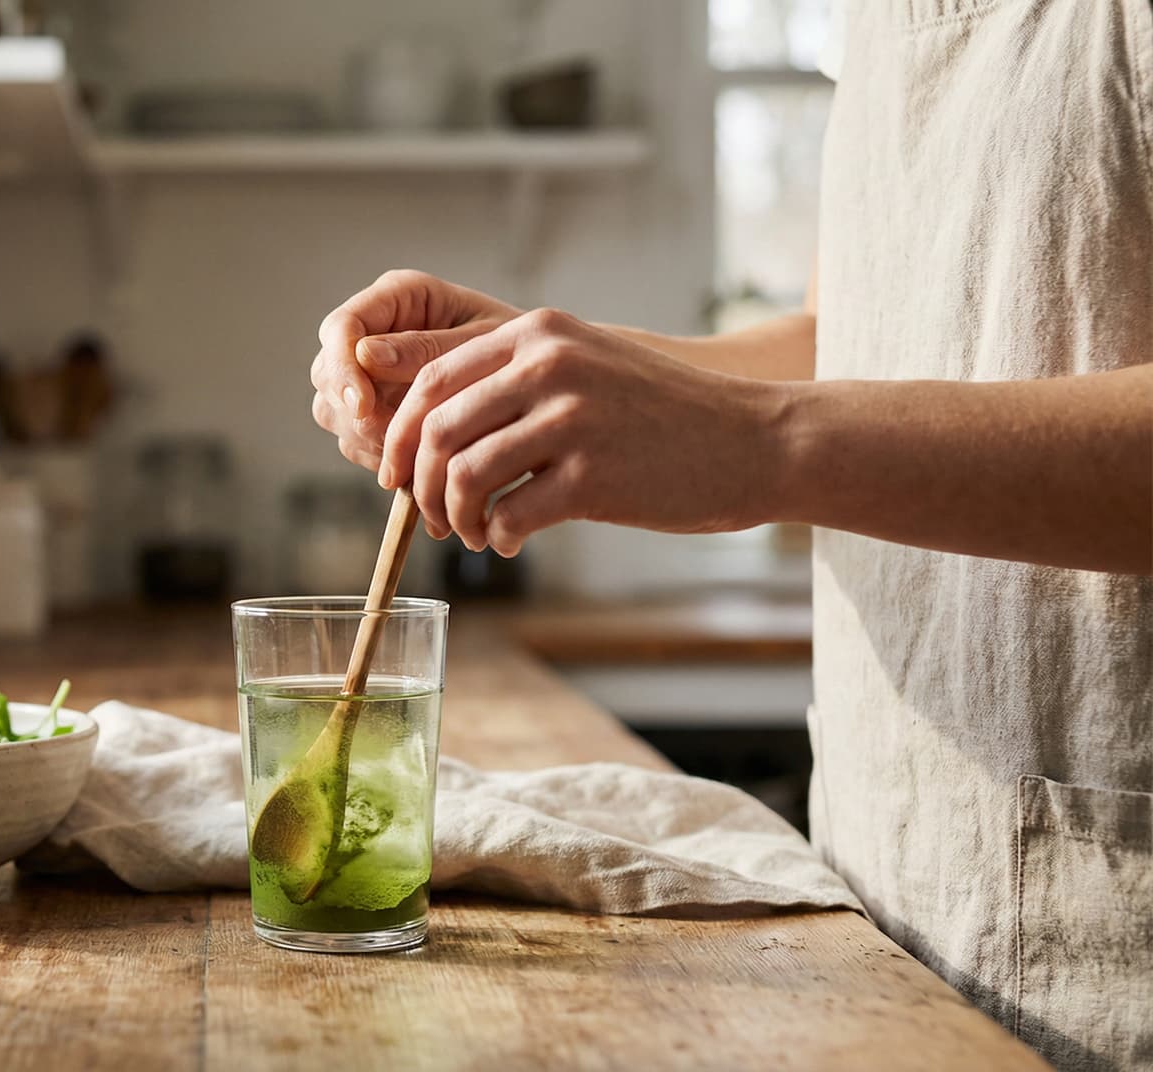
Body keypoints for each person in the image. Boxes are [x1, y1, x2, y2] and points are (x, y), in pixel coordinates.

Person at [308, 3, 1152, 1068]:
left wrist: (762, 445)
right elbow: (855, 339)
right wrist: (540, 374)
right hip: (887, 912)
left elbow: (793, 419)